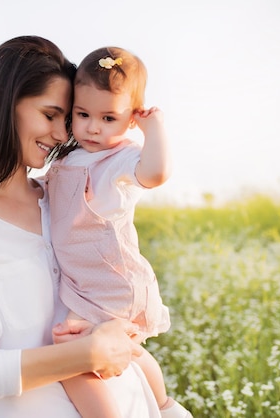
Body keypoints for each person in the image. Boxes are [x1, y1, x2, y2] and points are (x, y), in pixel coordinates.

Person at [0, 36, 163, 417]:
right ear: (4, 106)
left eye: (66, 120)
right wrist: (86, 354)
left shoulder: (63, 202)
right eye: (50, 116)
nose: (64, 136)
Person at [46, 46, 192, 418]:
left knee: (72, 359)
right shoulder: (67, 156)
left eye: (109, 117)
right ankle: (164, 407)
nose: (94, 127)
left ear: (131, 121)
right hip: (85, 282)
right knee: (127, 349)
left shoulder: (121, 159)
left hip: (111, 281)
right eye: (83, 114)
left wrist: (154, 128)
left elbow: (156, 174)